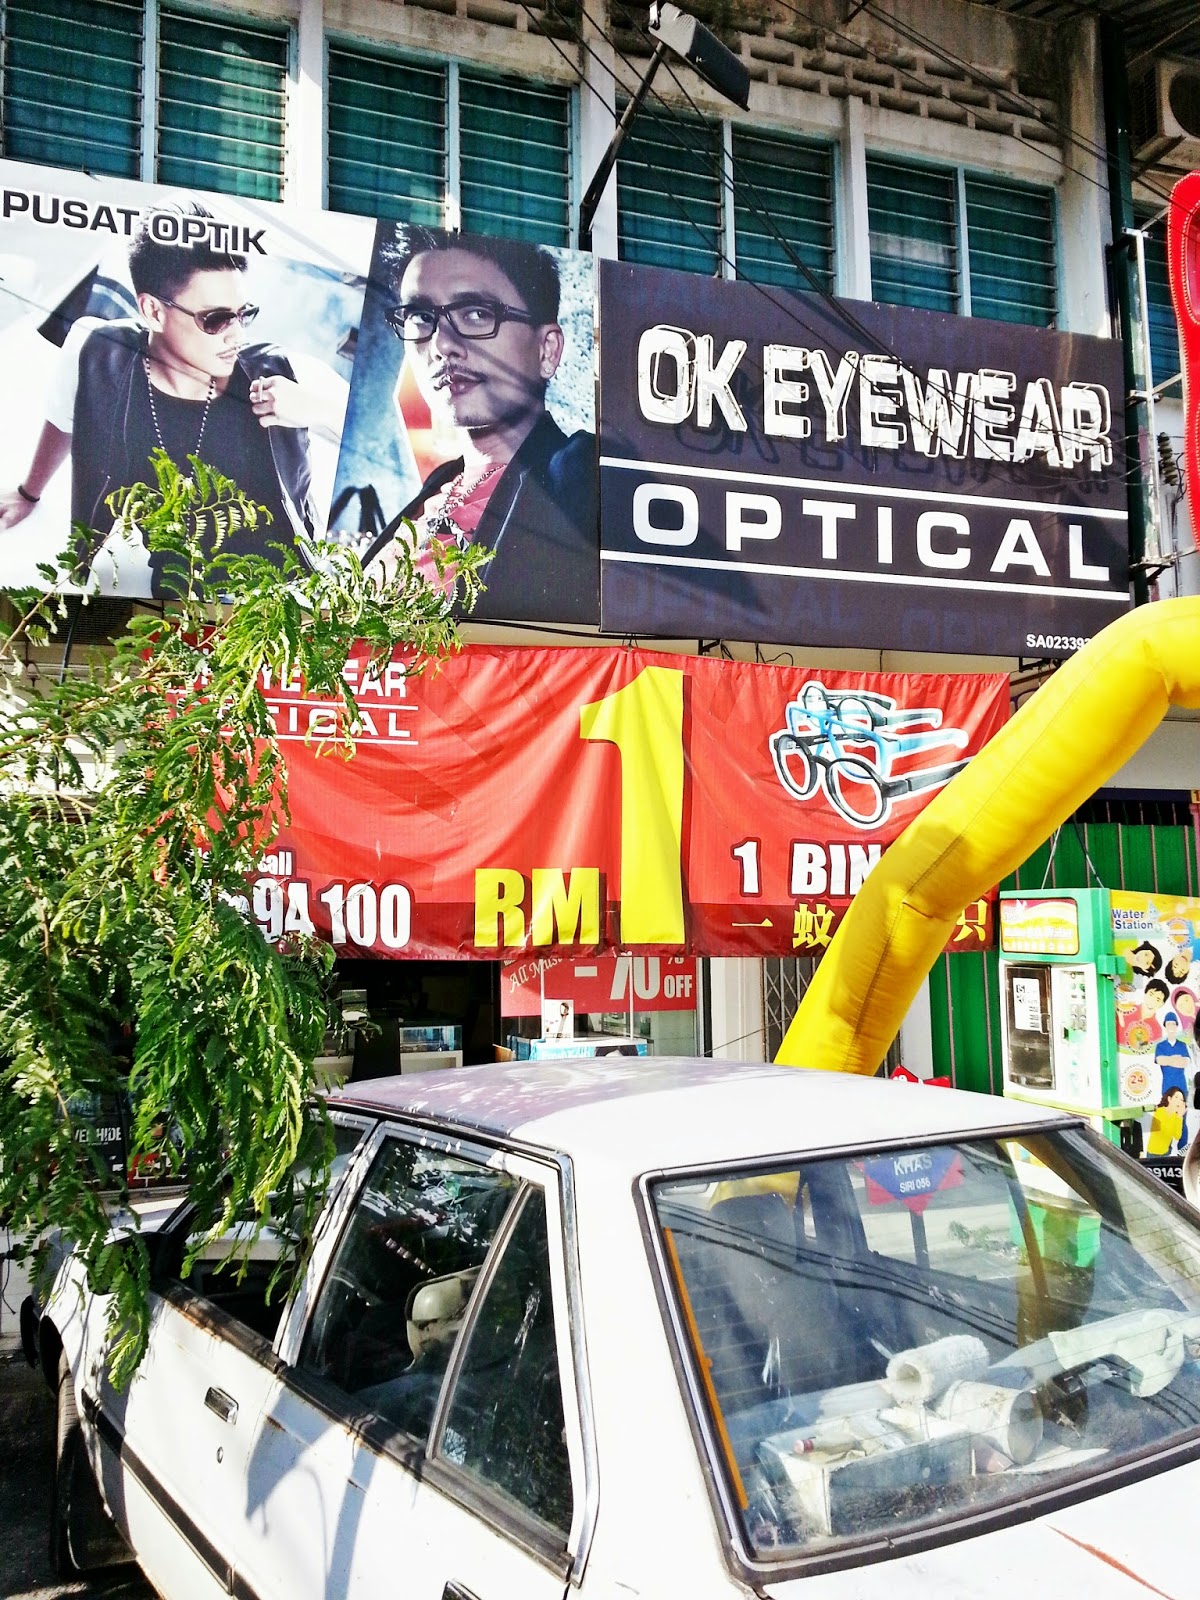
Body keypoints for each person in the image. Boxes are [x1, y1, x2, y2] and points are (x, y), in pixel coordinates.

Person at [0, 210, 343, 595]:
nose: (236, 335)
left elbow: (382, 444)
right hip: (174, 595)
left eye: (244, 314)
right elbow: (65, 417)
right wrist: (29, 492)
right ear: (153, 311)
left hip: (285, 595)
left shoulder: (286, 372)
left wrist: (317, 409)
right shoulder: (98, 352)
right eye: (216, 319)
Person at [362, 226, 597, 625]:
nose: (442, 345)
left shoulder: (584, 476)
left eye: (476, 314)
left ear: (547, 350)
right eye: (421, 317)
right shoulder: (439, 484)